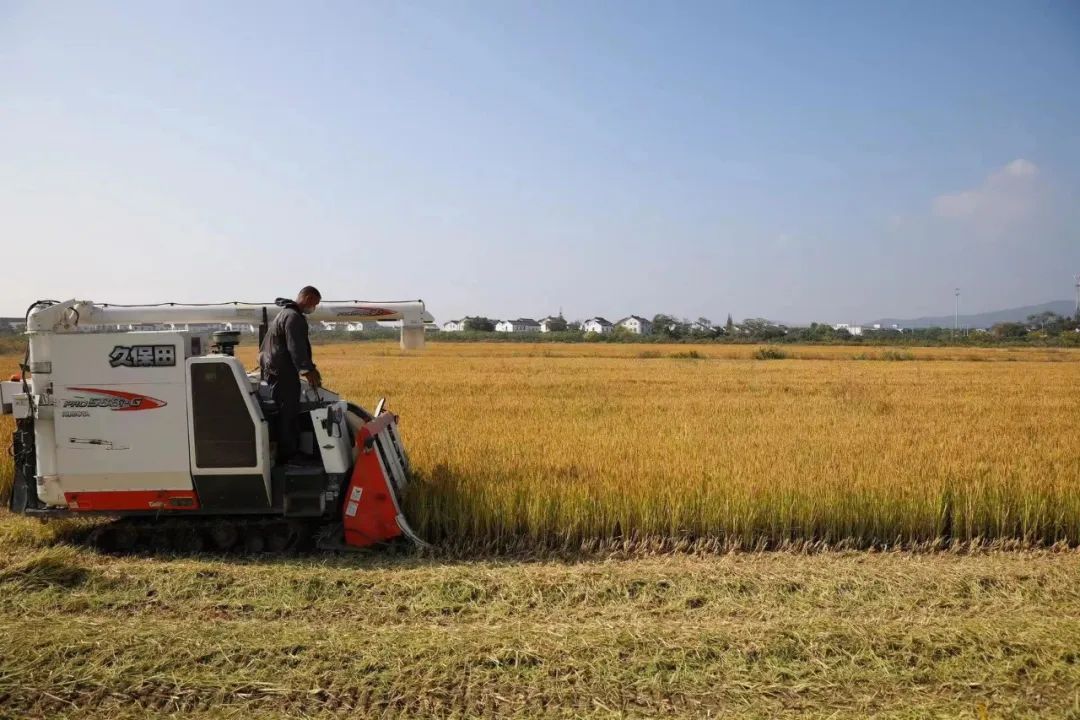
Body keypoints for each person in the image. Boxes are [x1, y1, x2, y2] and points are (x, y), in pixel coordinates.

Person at [259, 286, 323, 463]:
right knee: (288, 411)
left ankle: (290, 452)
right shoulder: (293, 317)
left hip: (277, 370)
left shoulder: (286, 313)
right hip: (281, 371)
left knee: (289, 409)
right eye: (315, 304)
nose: (314, 308)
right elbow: (296, 347)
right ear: (308, 298)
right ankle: (289, 455)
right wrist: (307, 370)